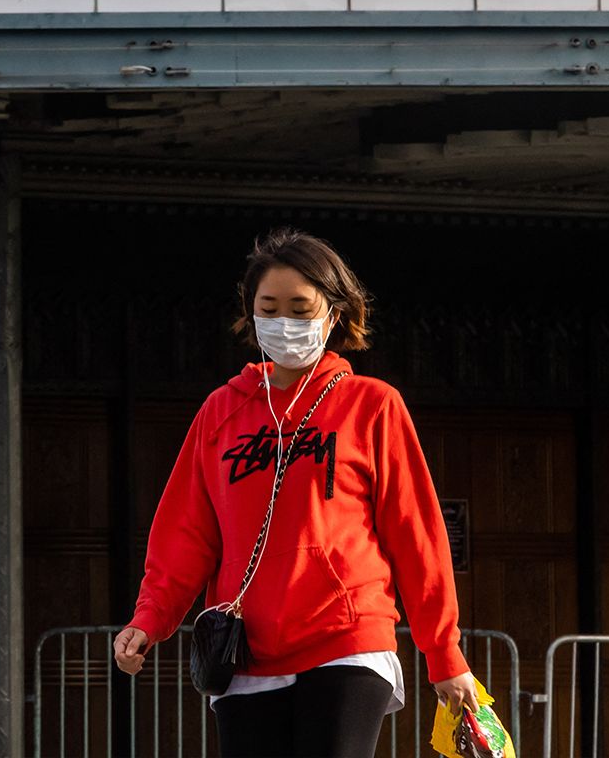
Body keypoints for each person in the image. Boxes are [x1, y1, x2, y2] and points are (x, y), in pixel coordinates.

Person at [113, 229, 479, 758]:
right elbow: (186, 532)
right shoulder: (221, 411)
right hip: (246, 649)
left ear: (334, 312)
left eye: (300, 308)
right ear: (250, 313)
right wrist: (148, 619)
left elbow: (415, 534)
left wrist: (445, 654)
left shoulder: (372, 405)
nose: (284, 321)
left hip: (347, 639)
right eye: (270, 307)